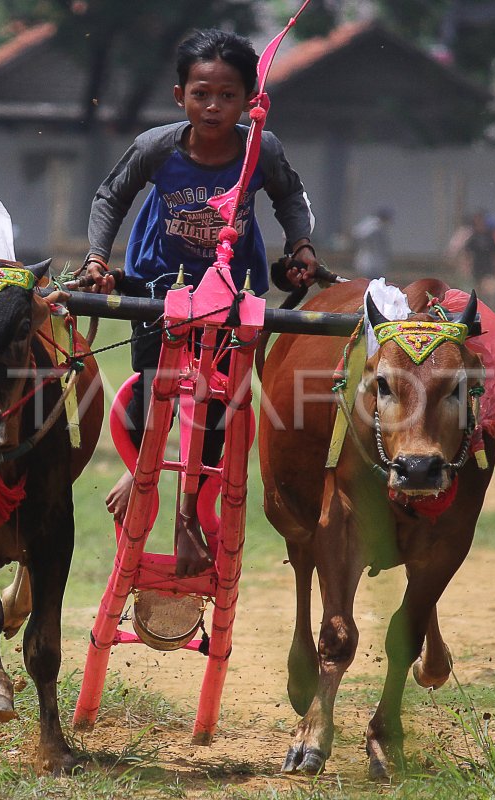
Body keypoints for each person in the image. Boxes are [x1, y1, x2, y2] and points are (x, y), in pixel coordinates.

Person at [80, 29, 319, 578]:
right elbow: (110, 196)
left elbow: (289, 198)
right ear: (179, 96)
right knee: (153, 389)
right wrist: (96, 259)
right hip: (158, 285)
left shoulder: (263, 149)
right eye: (201, 94)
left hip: (234, 291)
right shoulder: (157, 147)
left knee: (217, 406)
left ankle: (190, 512)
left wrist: (301, 246)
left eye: (228, 95)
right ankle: (141, 471)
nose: (213, 106)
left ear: (249, 101)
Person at [465, 210, 495, 305]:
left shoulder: (490, 236)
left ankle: (491, 307)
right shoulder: (473, 237)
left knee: (489, 289)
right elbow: (468, 253)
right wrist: (467, 266)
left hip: (488, 267)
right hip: (477, 267)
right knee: (478, 290)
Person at [351, 207, 393, 278]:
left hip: (373, 258)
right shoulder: (374, 225)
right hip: (369, 258)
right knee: (370, 279)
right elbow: (360, 234)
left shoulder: (376, 225)